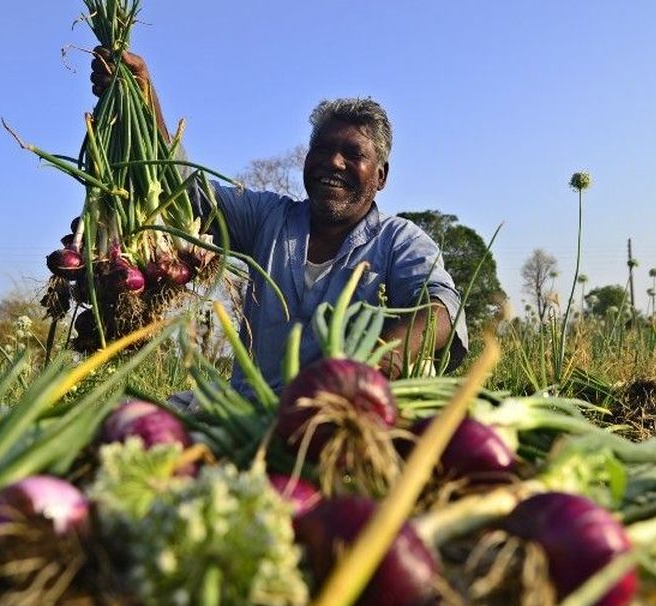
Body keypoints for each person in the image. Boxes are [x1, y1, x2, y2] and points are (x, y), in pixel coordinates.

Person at [91, 48, 468, 395]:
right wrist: (141, 100)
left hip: (337, 411)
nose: (333, 162)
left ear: (380, 176)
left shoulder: (398, 240)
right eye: (321, 149)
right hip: (245, 409)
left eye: (353, 154)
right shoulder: (268, 217)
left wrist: (378, 364)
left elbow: (440, 308)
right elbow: (186, 191)